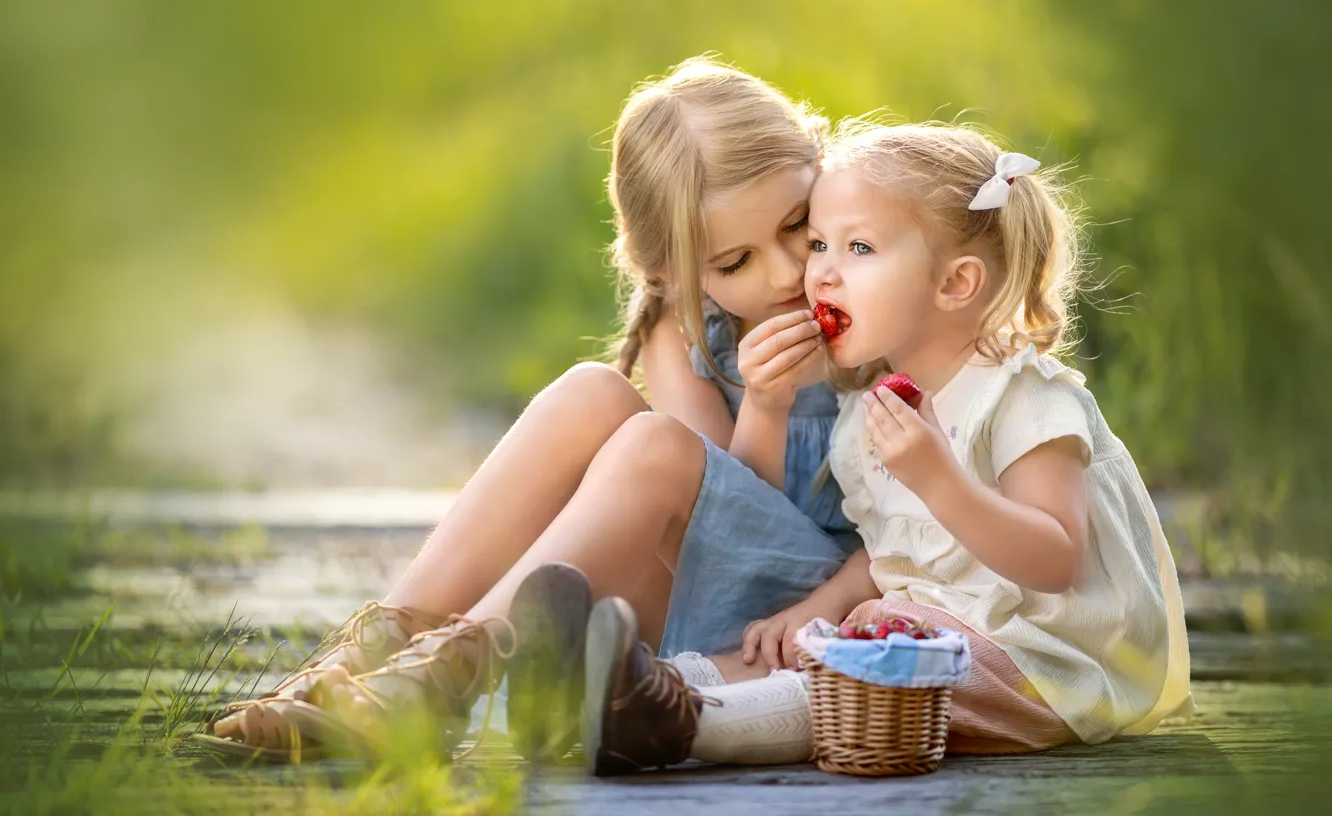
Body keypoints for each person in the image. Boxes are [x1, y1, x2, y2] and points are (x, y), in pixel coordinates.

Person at [194, 57, 860, 763]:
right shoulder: (685, 327)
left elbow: (737, 510)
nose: (789, 273)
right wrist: (764, 399)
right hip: (701, 595)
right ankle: (377, 652)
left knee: (655, 447)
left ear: (820, 166)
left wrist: (767, 400)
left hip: (802, 616)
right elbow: (712, 513)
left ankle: (446, 674)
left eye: (796, 224)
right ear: (672, 273)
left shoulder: (871, 301)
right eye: (735, 263)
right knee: (591, 392)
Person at [581, 120, 1192, 774]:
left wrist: (941, 483)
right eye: (818, 242)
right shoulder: (872, 410)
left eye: (859, 248)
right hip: (923, 628)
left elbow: (1056, 559)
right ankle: (645, 689)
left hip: (1041, 662)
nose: (820, 274)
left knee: (871, 671)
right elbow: (891, 546)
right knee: (813, 646)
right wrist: (817, 607)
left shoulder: (1024, 399)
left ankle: (687, 723)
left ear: (955, 284)